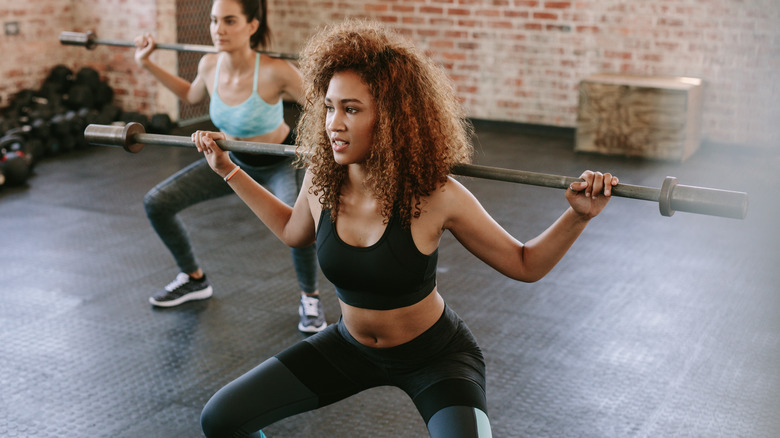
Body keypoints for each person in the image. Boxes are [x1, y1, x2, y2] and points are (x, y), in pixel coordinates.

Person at [193, 19, 619, 437]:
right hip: (349, 347)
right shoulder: (322, 180)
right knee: (221, 419)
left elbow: (525, 264)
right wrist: (228, 170)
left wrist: (578, 215)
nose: (333, 124)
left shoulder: (435, 195)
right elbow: (293, 232)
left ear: (393, 118)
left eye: (352, 109)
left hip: (435, 357)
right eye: (329, 107)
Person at [133, 0, 326, 333]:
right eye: (213, 20)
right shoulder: (210, 65)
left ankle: (310, 297)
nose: (217, 29)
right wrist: (146, 62)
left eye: (229, 21)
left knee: (299, 231)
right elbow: (192, 95)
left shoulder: (274, 70)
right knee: (157, 202)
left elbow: (323, 105)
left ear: (252, 26)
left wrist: (320, 148)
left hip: (279, 161)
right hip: (229, 160)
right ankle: (194, 279)